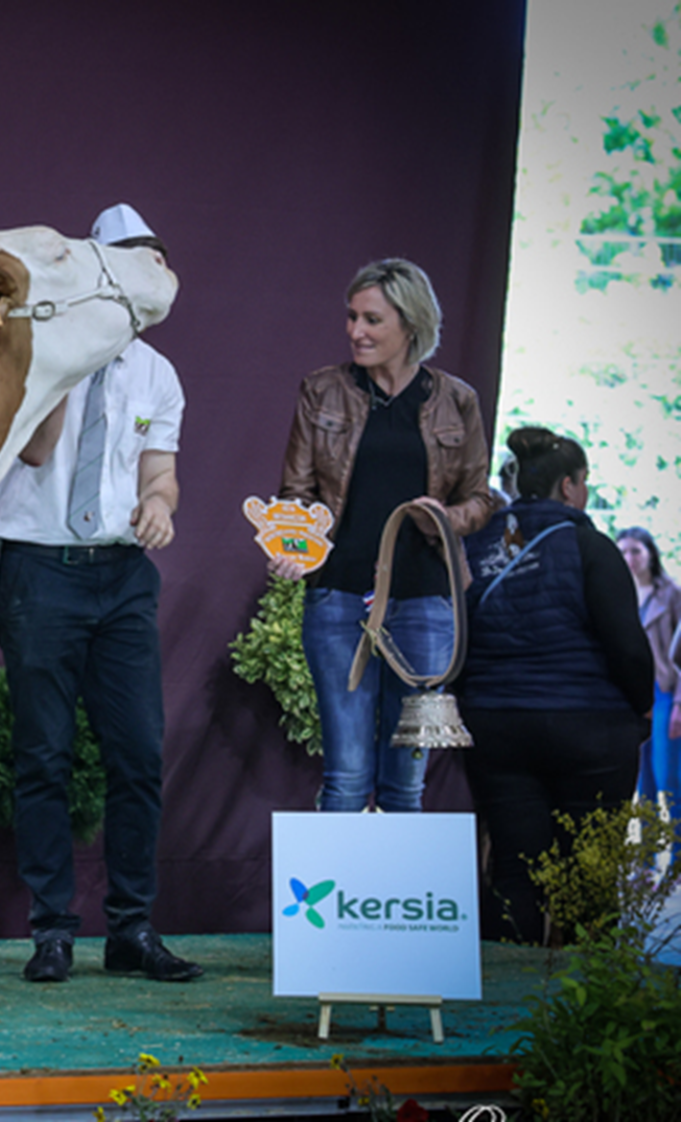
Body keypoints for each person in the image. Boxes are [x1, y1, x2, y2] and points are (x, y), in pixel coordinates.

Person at [0, 202, 200, 984]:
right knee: (42, 755)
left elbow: (161, 471)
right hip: (41, 567)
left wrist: (159, 506)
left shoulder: (159, 374)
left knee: (138, 752)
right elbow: (38, 452)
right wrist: (64, 364)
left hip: (121, 577)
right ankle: (52, 932)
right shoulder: (41, 350)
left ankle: (132, 930)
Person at [271, 259, 497, 812]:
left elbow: (481, 501)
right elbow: (295, 493)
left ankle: (396, 898)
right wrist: (293, 548)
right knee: (346, 774)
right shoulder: (321, 391)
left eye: (372, 319)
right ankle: (339, 897)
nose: (356, 331)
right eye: (351, 317)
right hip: (337, 595)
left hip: (426, 601)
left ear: (411, 324)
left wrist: (442, 517)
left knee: (406, 783)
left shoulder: (456, 399)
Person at [458, 428, 653, 944]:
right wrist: (642, 709)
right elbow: (628, 647)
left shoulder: (475, 546)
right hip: (588, 727)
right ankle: (581, 1004)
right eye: (584, 482)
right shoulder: (590, 546)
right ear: (569, 486)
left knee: (512, 872)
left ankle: (503, 1005)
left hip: (494, 725)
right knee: (590, 878)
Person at [617, 526, 680, 811]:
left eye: (635, 551)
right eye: (623, 552)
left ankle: (676, 853)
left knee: (668, 776)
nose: (630, 558)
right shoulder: (617, 592)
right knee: (641, 783)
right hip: (631, 693)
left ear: (650, 554)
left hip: (664, 690)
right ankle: (645, 855)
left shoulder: (672, 594)